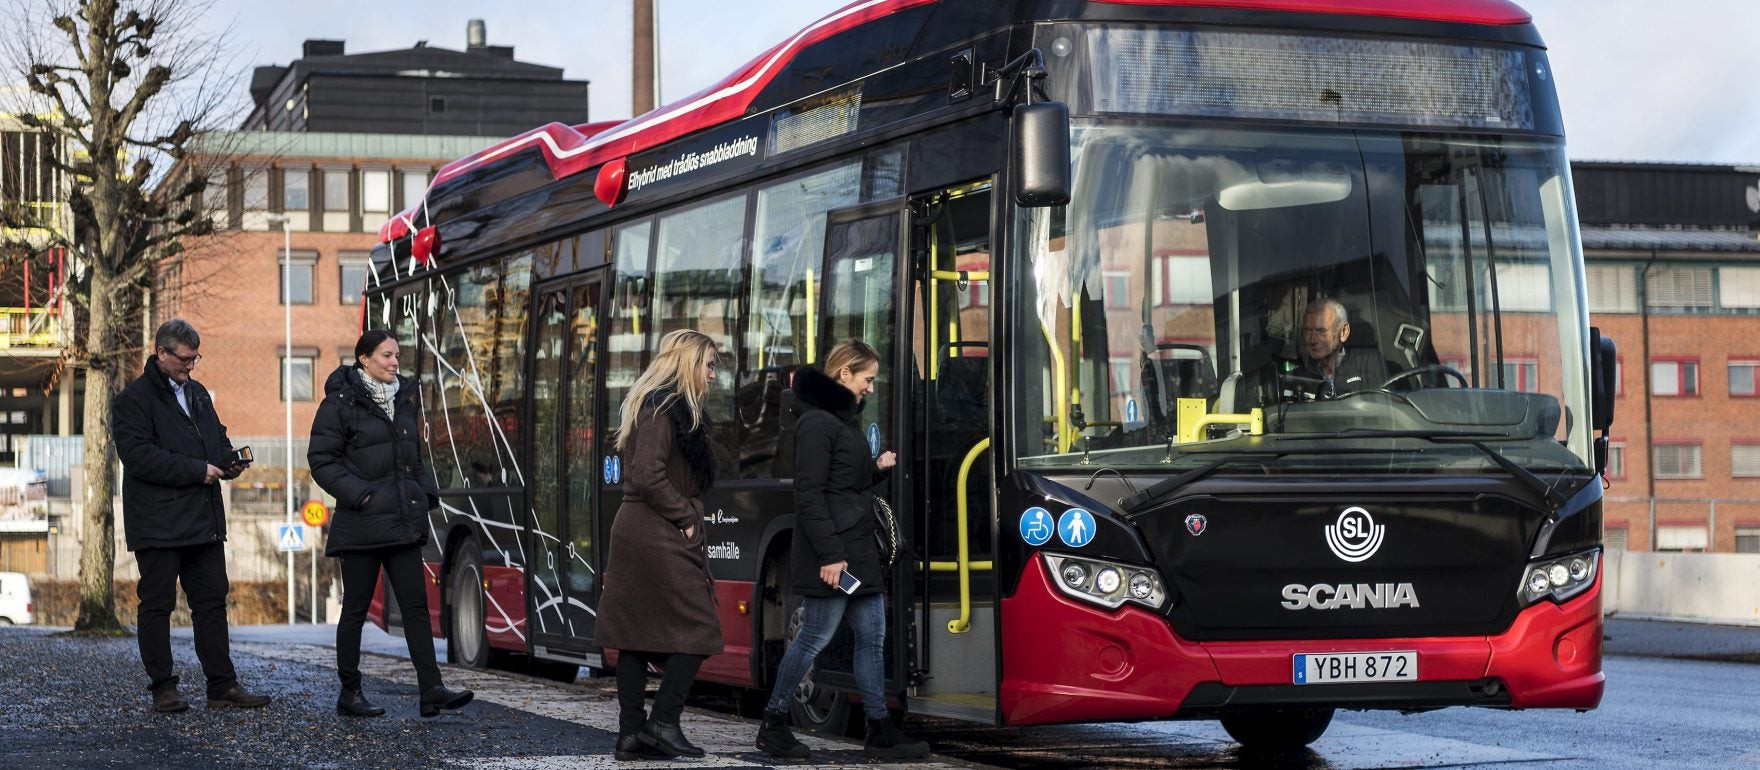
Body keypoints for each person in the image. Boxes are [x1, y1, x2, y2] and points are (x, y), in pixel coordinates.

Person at [755, 340, 929, 761]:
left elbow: (841, 484)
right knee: (814, 637)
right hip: (834, 555)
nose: (871, 387)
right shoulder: (817, 423)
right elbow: (810, 496)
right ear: (845, 374)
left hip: (855, 551)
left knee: (871, 636)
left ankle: (879, 730)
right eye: (867, 378)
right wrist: (831, 556)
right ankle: (774, 723)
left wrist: (874, 470)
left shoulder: (841, 419)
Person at [308, 330, 473, 718]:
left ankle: (431, 690)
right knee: (356, 610)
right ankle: (350, 693)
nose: (395, 362)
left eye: (397, 355)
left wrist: (425, 493)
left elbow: (414, 459)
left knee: (416, 607)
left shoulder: (403, 401)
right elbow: (322, 461)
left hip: (401, 521)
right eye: (386, 355)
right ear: (364, 359)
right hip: (362, 525)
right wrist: (361, 496)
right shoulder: (339, 404)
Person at [113, 319, 272, 713]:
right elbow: (139, 457)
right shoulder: (132, 399)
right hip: (158, 524)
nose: (191, 366)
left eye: (195, 358)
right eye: (184, 359)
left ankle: (221, 686)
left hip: (202, 521)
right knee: (157, 605)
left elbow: (216, 437)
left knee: (212, 603)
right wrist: (199, 470)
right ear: (161, 353)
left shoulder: (197, 392)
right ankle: (163, 688)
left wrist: (227, 460)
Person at [592, 329, 724, 761]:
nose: (713, 375)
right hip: (655, 529)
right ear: (687, 364)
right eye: (709, 365)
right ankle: (663, 723)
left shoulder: (665, 408)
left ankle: (632, 736)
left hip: (646, 528)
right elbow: (648, 475)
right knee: (699, 628)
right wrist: (686, 518)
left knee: (636, 634)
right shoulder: (663, 408)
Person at [1293, 298, 1387, 397]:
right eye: (1308, 331)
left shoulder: (1368, 362)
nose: (1313, 340)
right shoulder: (1299, 374)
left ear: (1343, 332)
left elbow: (1384, 407)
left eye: (1321, 331)